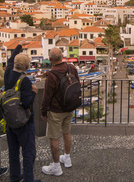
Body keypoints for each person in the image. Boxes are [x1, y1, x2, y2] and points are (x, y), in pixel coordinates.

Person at [41, 47, 80, 176]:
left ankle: (56, 166)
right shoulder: (71, 68)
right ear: (62, 56)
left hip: (56, 110)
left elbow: (47, 96)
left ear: (50, 59)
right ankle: (67, 158)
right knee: (67, 132)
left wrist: (43, 111)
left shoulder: (51, 75)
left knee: (54, 138)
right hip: (69, 107)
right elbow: (77, 84)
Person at [4, 44, 38, 182]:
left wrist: (18, 47)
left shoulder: (7, 73)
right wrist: (33, 92)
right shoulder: (25, 81)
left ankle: (15, 177)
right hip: (24, 121)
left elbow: (10, 61)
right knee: (28, 152)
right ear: (26, 67)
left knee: (13, 152)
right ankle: (29, 179)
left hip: (10, 120)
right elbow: (26, 103)